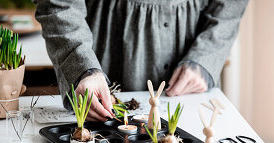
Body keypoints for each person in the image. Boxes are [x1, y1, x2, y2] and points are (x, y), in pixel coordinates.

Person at [33, 0, 248, 121]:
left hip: (191, 87)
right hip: (103, 58)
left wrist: (206, 57)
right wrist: (81, 67)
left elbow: (230, 7)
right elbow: (58, 3)